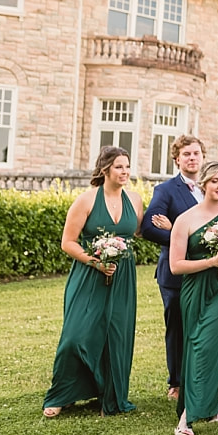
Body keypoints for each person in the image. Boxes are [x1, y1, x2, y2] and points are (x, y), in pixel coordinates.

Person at [43, 146, 144, 418]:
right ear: (104, 170)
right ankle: (62, 395)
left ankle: (109, 396)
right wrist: (95, 261)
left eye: (127, 166)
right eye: (119, 167)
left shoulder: (134, 200)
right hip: (89, 275)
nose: (125, 172)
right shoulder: (86, 200)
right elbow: (68, 242)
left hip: (122, 277)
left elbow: (137, 233)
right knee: (75, 337)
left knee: (116, 336)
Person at [168, 161, 218, 435]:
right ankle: (213, 407)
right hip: (195, 289)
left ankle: (187, 417)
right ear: (203, 184)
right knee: (195, 345)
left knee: (205, 345)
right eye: (215, 181)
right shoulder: (185, 219)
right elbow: (176, 266)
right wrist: (210, 261)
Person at [141, 135, 206, 401]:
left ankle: (200, 378)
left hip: (205, 271)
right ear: (177, 159)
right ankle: (176, 382)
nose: (192, 158)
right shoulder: (166, 190)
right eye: (186, 154)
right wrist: (182, 238)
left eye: (196, 153)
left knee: (202, 326)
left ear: (203, 158)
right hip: (175, 274)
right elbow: (148, 227)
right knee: (177, 327)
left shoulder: (211, 189)